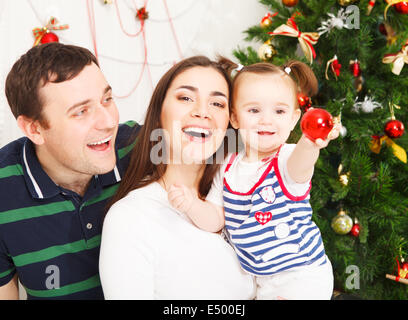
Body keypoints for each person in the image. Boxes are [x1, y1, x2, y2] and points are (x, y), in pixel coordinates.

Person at [168, 60, 339, 300]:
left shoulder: (286, 159)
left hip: (301, 273)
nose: (266, 120)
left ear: (293, 119)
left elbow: (301, 164)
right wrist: (191, 204)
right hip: (262, 279)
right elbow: (216, 219)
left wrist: (310, 143)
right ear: (235, 119)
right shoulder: (227, 168)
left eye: (279, 111)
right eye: (254, 110)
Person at [99, 55, 256, 300]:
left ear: (230, 121)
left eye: (217, 103)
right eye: (185, 98)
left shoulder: (244, 197)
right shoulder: (131, 218)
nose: (203, 112)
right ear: (160, 112)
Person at [0, 43, 140, 300]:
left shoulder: (140, 147)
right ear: (35, 129)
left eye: (107, 99)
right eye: (81, 111)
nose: (109, 122)